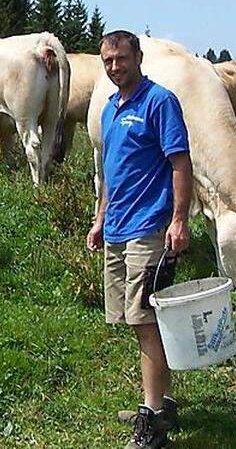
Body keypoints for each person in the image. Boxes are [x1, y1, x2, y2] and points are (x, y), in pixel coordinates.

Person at [87, 30, 193, 449]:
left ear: (138, 57)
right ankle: (160, 403)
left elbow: (180, 163)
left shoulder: (159, 101)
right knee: (137, 322)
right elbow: (112, 174)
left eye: (121, 59)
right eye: (108, 61)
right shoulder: (111, 109)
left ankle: (150, 424)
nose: (115, 67)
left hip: (149, 228)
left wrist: (179, 220)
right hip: (116, 228)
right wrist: (99, 220)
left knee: (146, 322)